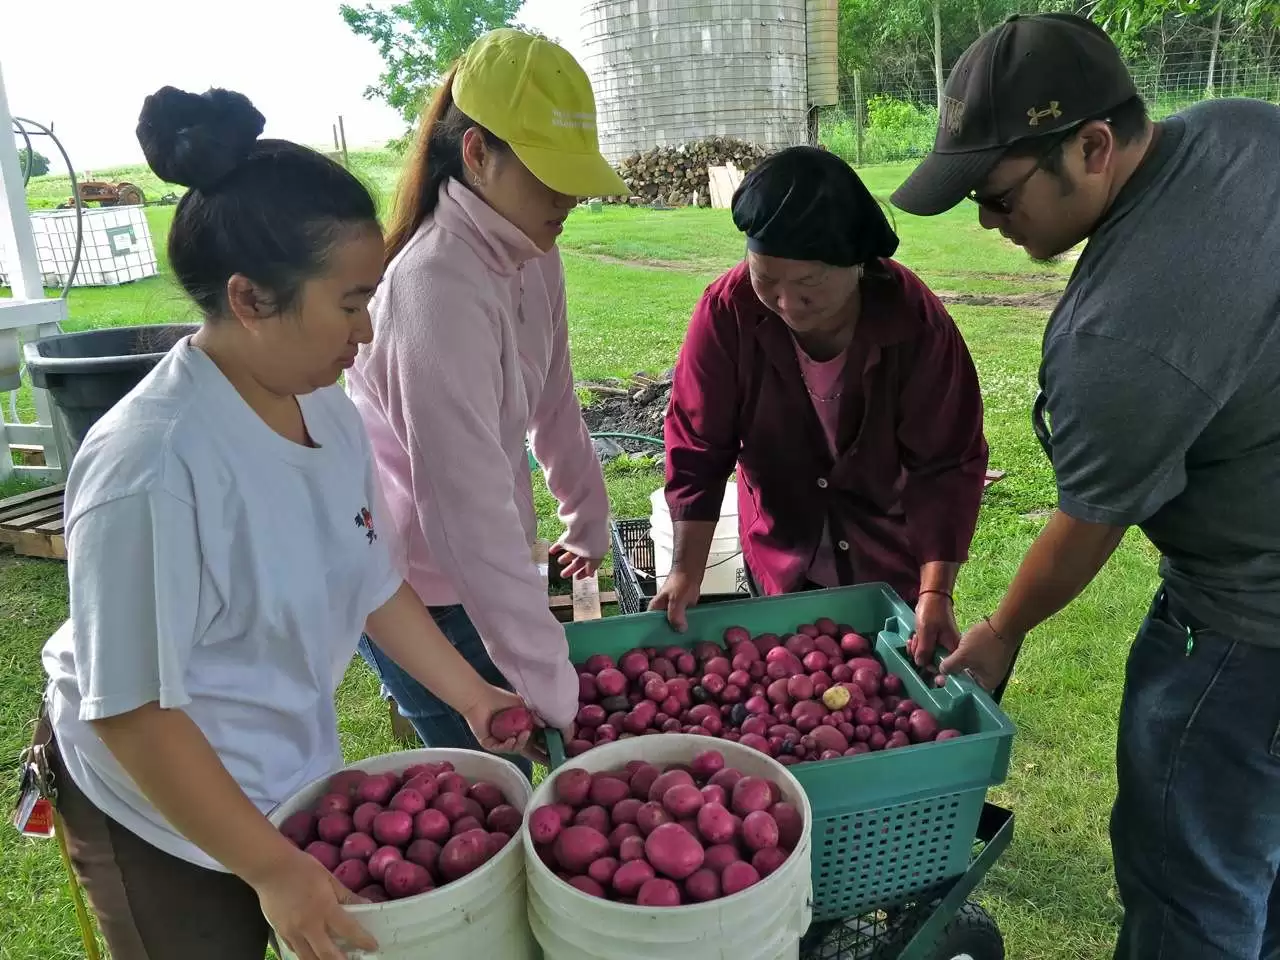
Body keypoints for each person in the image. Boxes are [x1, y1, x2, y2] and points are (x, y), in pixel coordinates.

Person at [36, 86, 537, 960]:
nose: (370, 328)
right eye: (349, 303)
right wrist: (270, 868)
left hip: (278, 771)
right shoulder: (152, 468)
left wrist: (471, 695)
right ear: (251, 298)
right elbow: (135, 713)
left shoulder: (325, 408)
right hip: (155, 800)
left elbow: (373, 575)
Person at [892, 13, 1280, 960]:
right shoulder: (1240, 127)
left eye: (996, 193)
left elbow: (1088, 521)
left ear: (1093, 145)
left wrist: (1002, 631)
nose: (986, 220)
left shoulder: (1118, 334)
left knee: (1190, 882)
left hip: (1246, 626)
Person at [346, 28, 629, 752]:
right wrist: (555, 692)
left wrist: (586, 513)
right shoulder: (432, 287)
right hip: (418, 595)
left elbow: (554, 394)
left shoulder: (532, 247)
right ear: (477, 153)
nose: (568, 197)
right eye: (548, 173)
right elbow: (463, 509)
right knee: (488, 782)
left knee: (524, 768)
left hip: (487, 567)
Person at [652, 145, 989, 663]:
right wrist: (685, 572)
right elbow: (699, 446)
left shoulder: (914, 323)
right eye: (765, 279)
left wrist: (935, 592)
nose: (786, 302)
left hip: (886, 555)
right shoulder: (727, 312)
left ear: (857, 263)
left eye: (808, 283)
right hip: (781, 545)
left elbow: (945, 461)